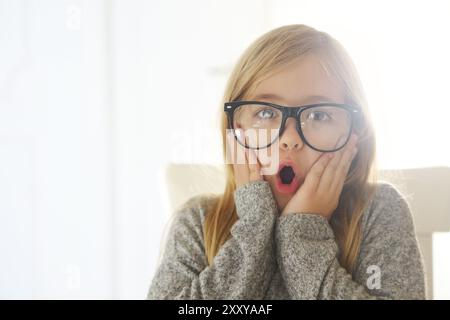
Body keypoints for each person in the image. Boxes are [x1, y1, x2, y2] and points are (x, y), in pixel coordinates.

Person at [147, 24, 426, 299]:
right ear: (234, 128)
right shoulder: (197, 222)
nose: (290, 138)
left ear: (355, 130)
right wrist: (255, 227)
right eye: (266, 113)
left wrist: (302, 235)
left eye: (318, 115)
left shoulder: (378, 213)